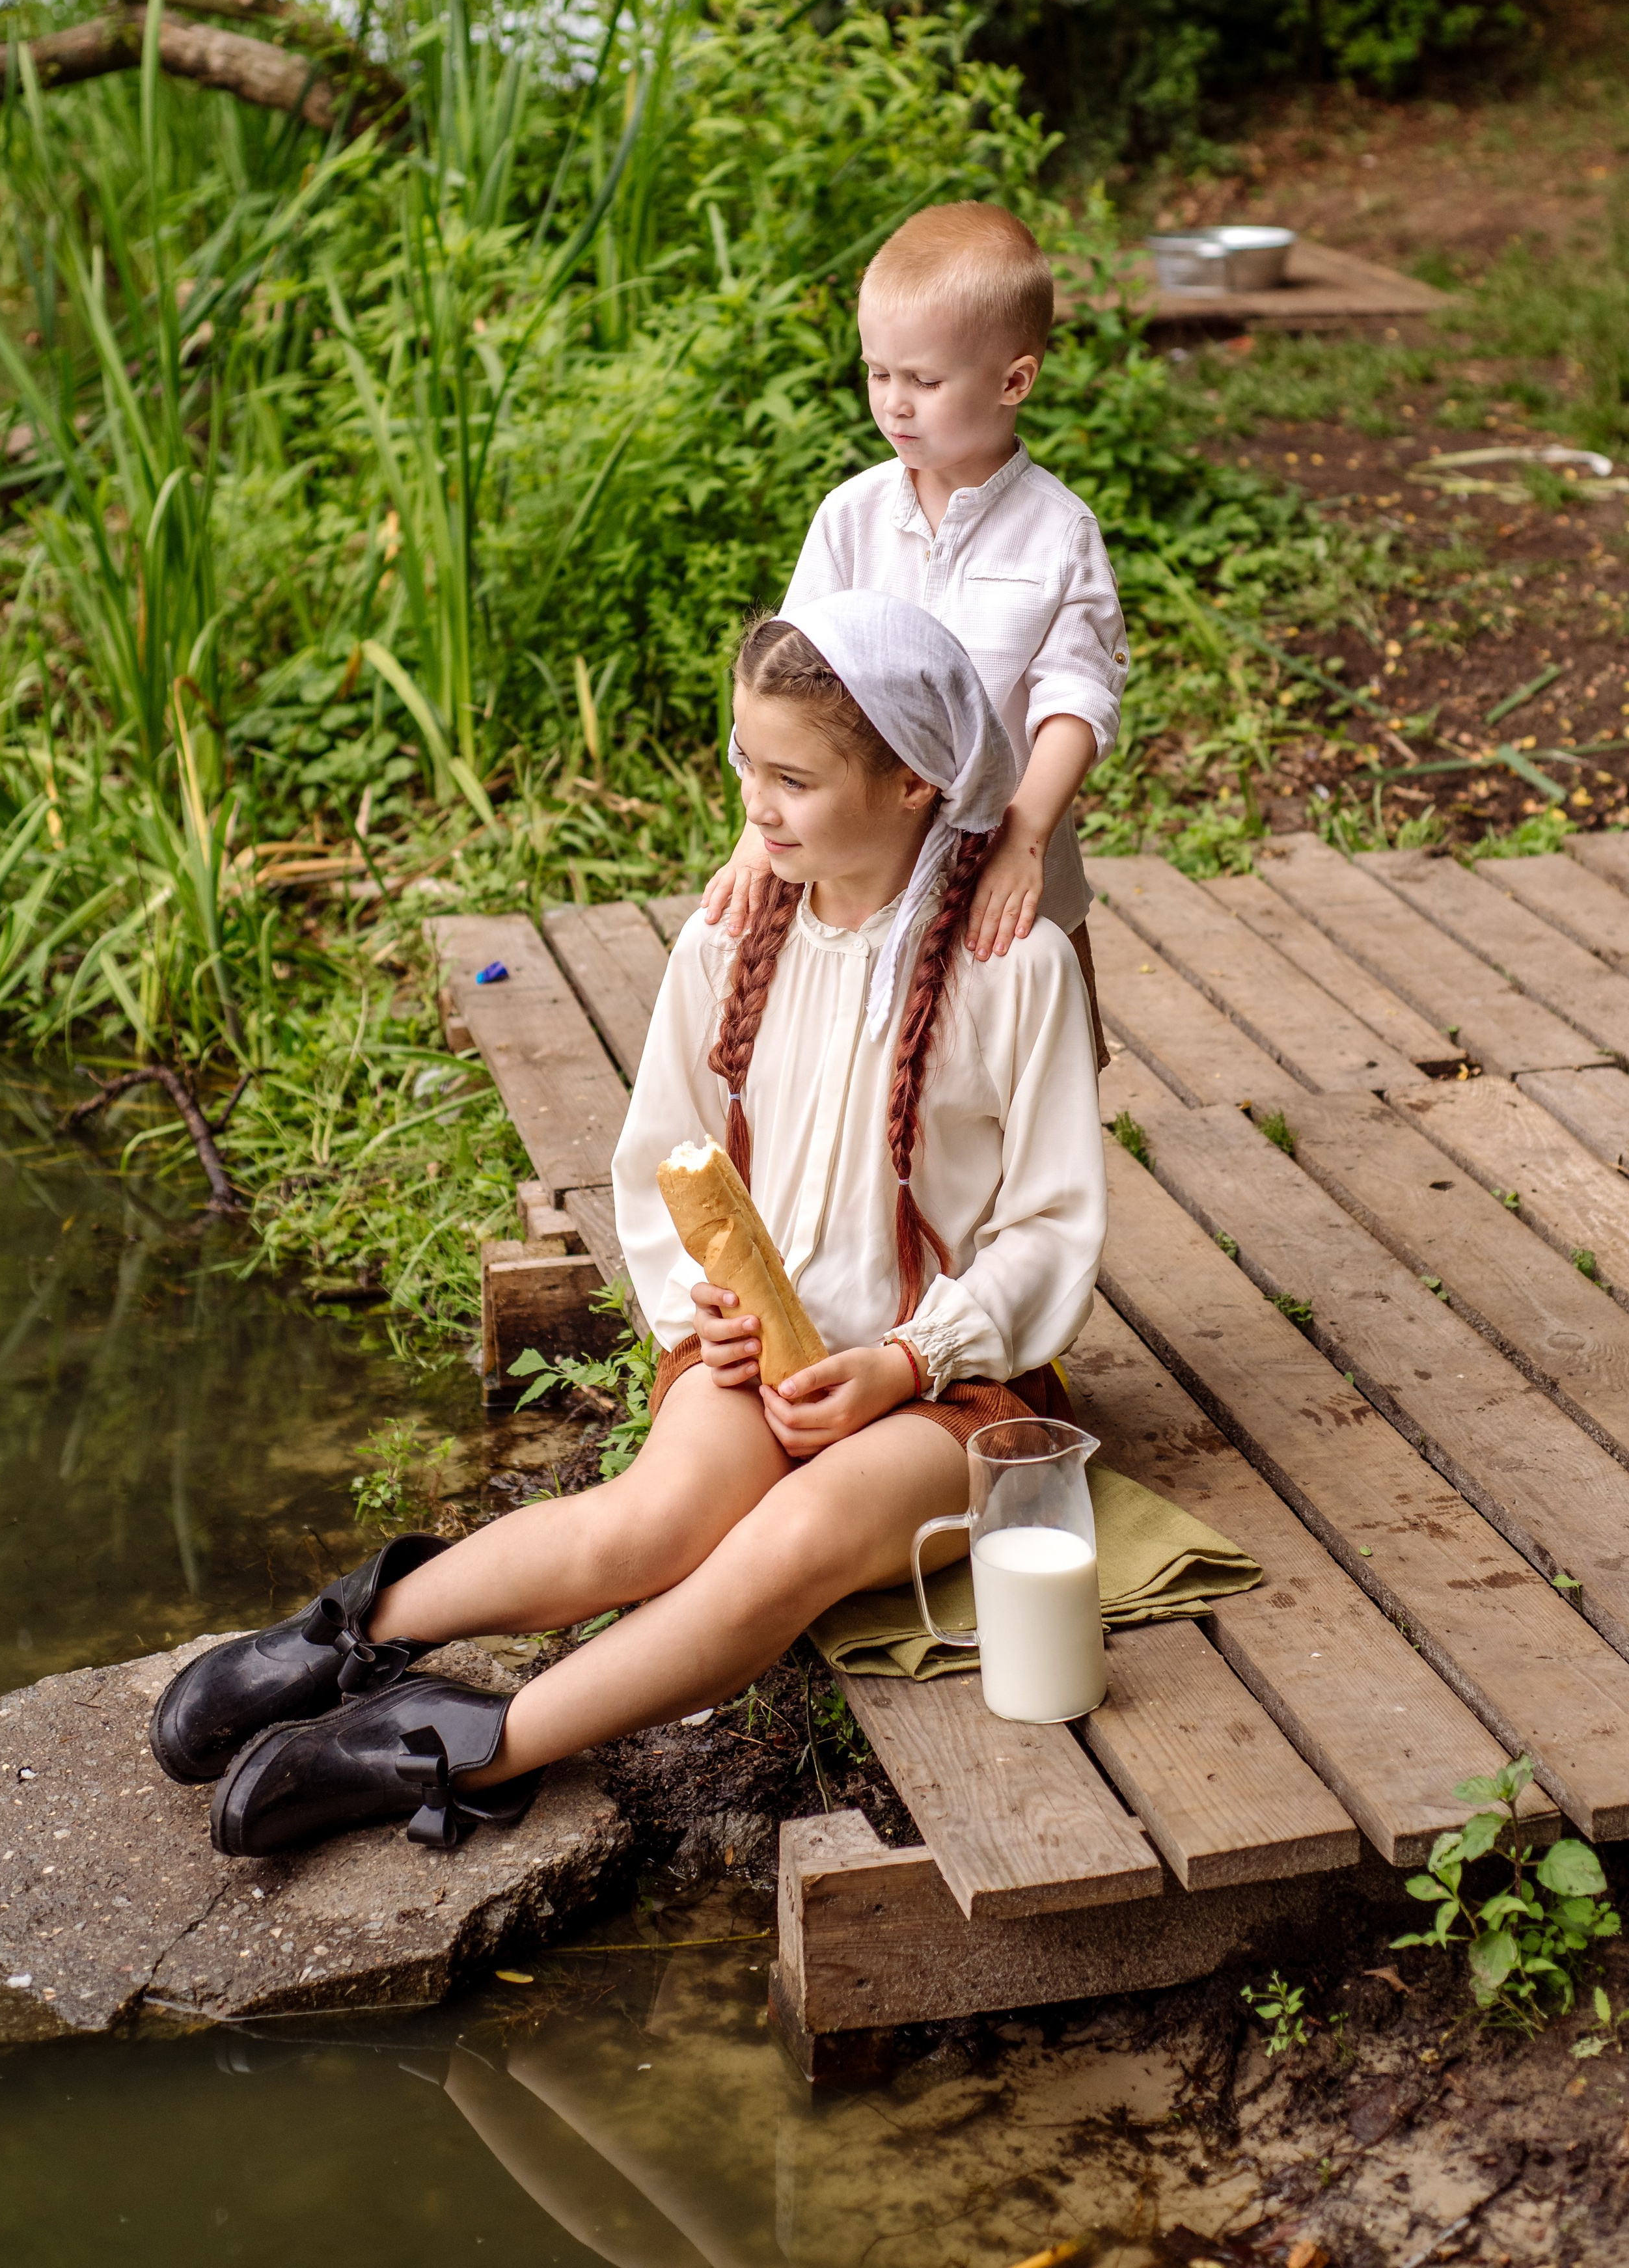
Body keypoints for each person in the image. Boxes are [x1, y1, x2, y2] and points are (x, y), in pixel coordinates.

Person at [150, 592, 1106, 1857]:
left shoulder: (1012, 969)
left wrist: (902, 1358)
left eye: (794, 778)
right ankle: (358, 1637)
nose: (754, 805)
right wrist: (704, 1309)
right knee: (651, 1520)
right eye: (744, 763)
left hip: (943, 1384)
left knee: (792, 1540)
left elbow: (1047, 1228)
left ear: (917, 780)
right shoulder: (729, 938)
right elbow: (664, 1156)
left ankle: (471, 1747)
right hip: (755, 1348)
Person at [702, 199, 1129, 1065]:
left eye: (924, 381)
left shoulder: (1058, 533)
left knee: (1037, 1061)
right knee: (875, 1064)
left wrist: (1026, 839)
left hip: (1007, 860)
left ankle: (1030, 1198)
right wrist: (759, 825)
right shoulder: (852, 516)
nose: (895, 403)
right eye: (877, 373)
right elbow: (788, 677)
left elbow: (1077, 699)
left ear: (1014, 382)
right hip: (865, 855)